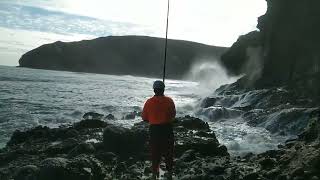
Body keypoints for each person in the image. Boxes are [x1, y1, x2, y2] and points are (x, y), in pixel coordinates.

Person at [142, 80, 176, 180]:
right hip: (167, 129)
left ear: (154, 90)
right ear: (163, 89)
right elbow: (173, 115)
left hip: (154, 130)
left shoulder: (148, 102)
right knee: (168, 152)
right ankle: (169, 173)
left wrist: (153, 118)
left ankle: (154, 174)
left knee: (155, 152)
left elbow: (144, 117)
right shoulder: (169, 101)